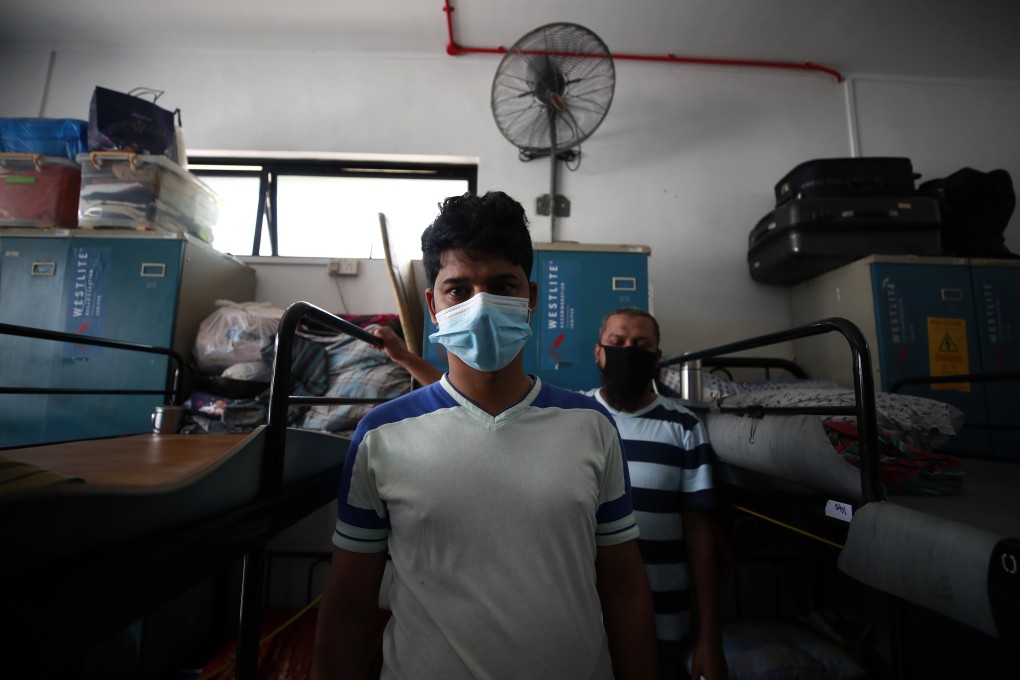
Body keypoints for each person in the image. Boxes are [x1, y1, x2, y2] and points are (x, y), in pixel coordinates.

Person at [312, 191, 658, 680]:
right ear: (432, 305)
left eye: (501, 285)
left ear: (531, 298)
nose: (481, 306)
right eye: (458, 290)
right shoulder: (380, 437)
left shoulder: (592, 427)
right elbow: (348, 609)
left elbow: (625, 591)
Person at [581, 307, 727, 680]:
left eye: (640, 344)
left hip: (665, 624)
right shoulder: (574, 418)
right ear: (598, 352)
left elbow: (699, 533)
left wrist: (710, 639)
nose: (629, 351)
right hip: (584, 620)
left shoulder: (685, 427)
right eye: (617, 343)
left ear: (658, 358)